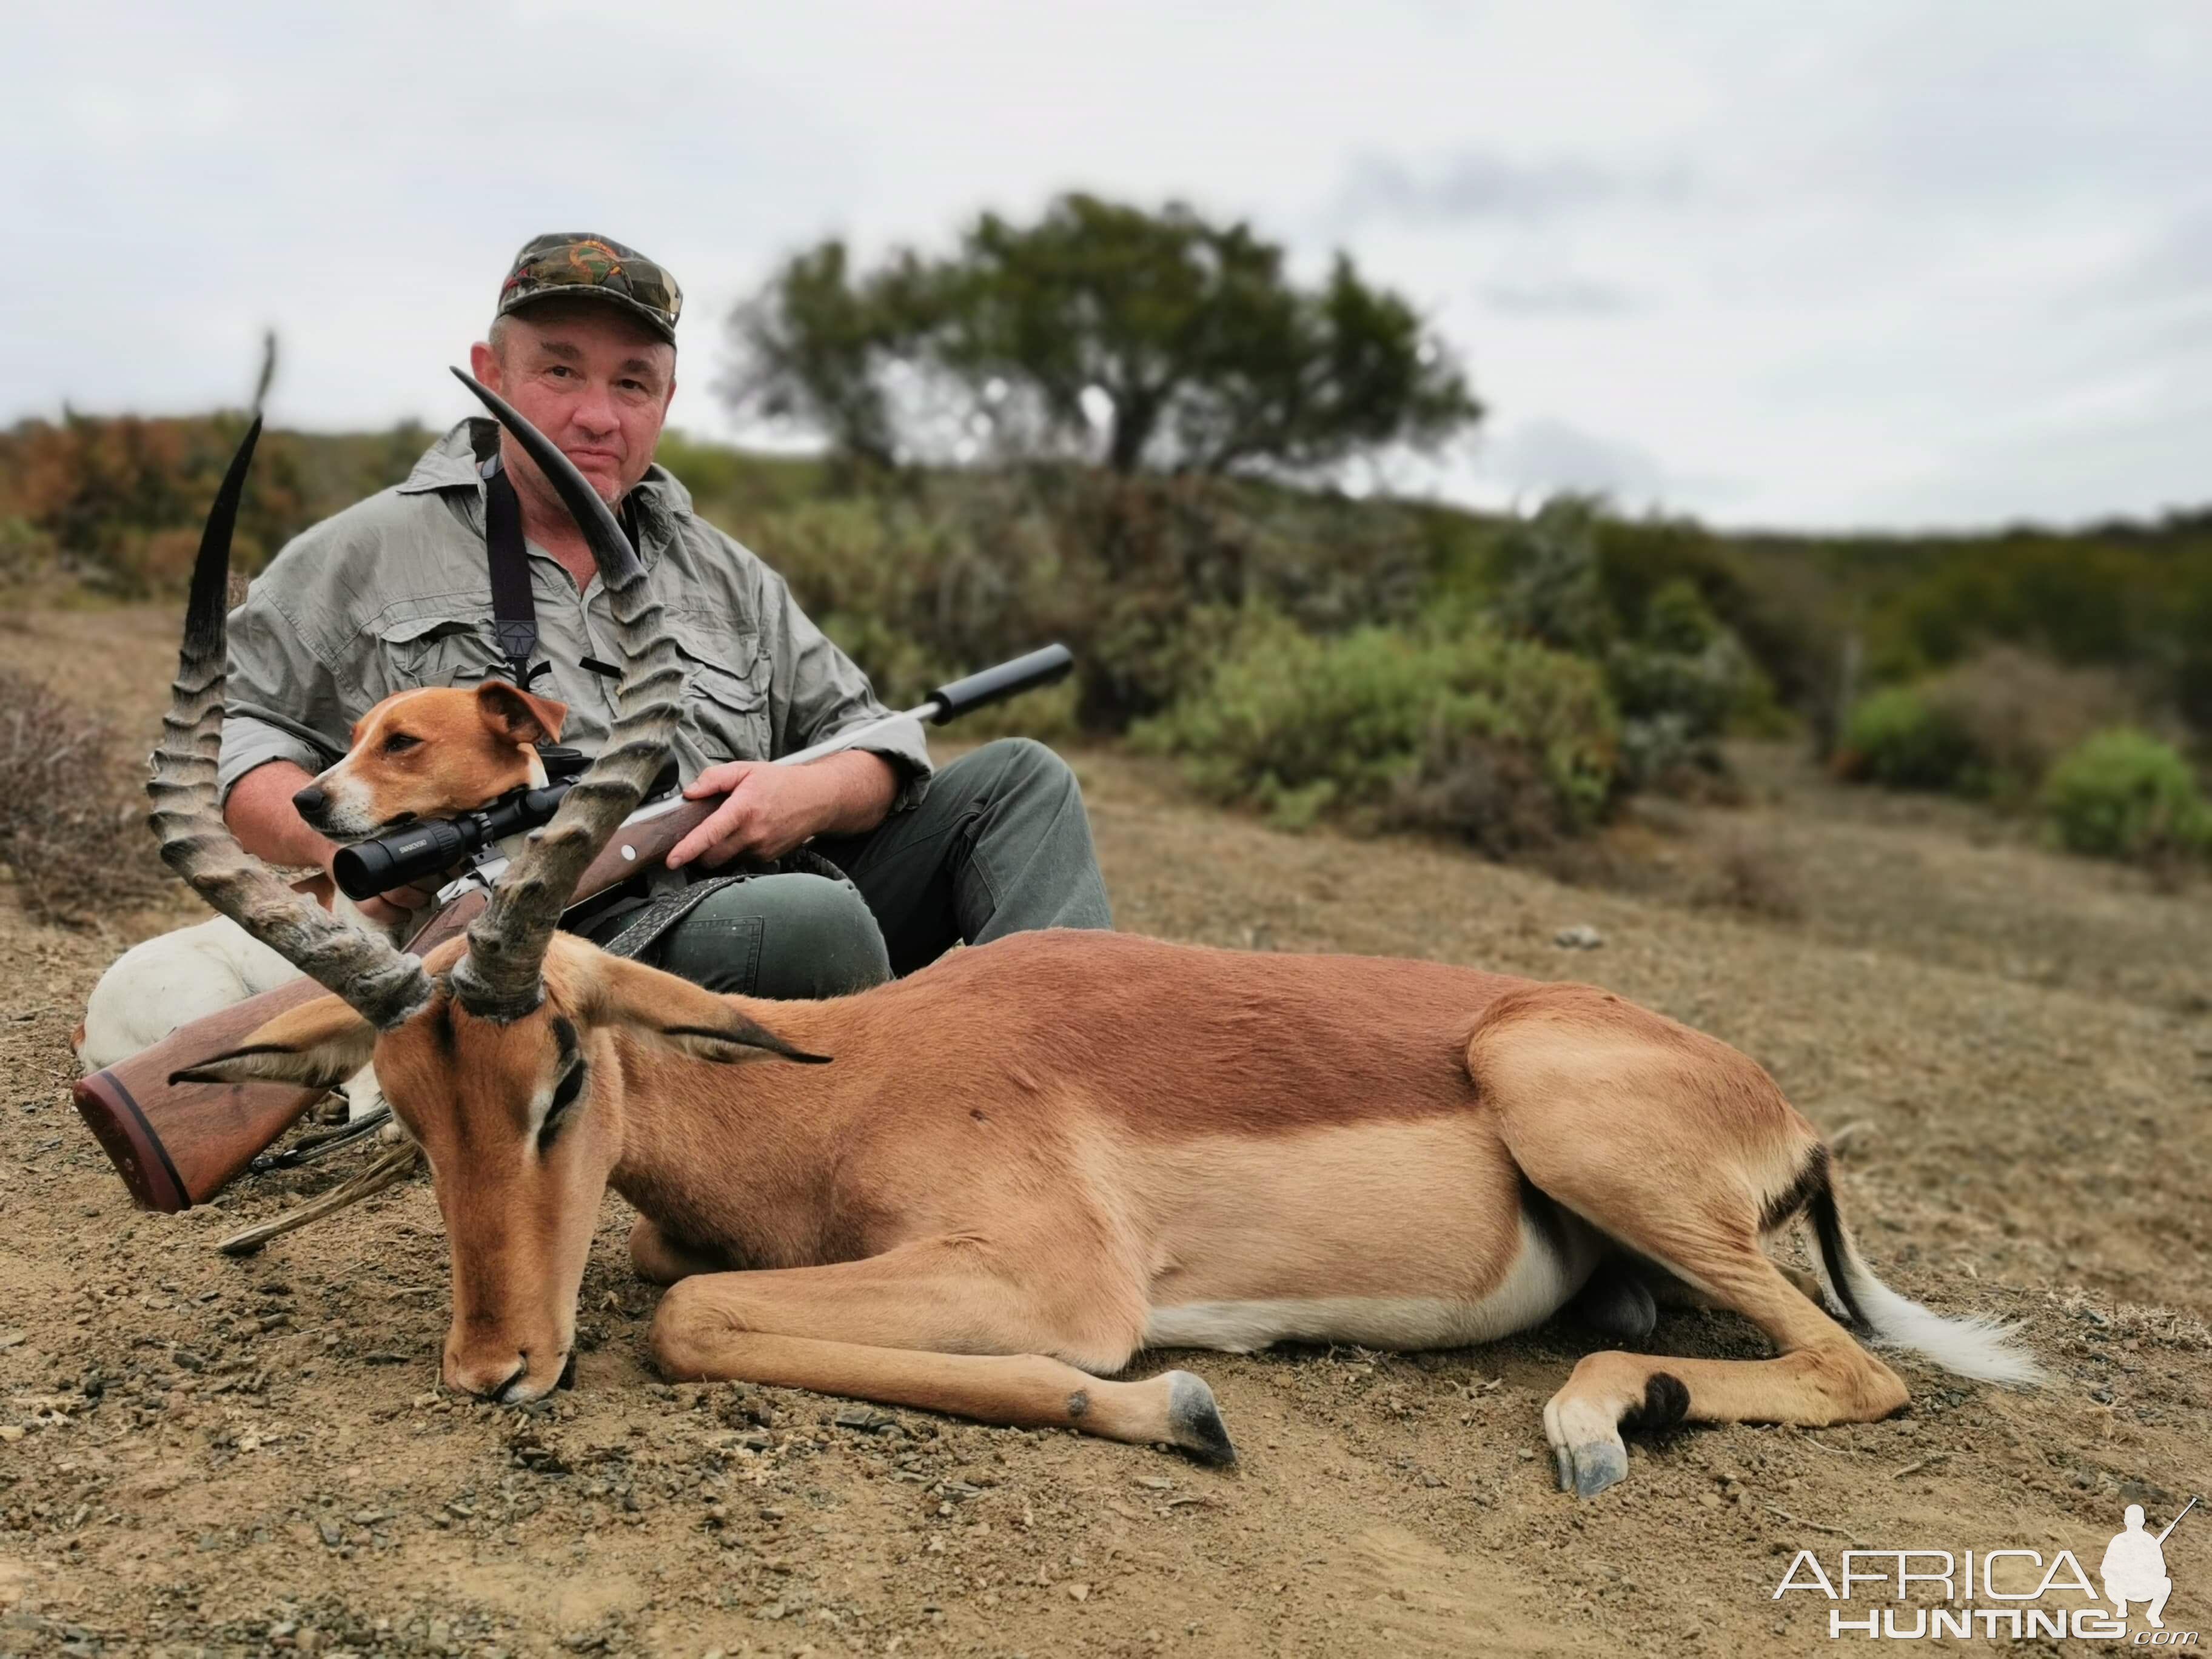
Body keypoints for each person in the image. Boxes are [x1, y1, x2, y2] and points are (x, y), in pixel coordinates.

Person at [220, 232, 1111, 997]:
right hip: (546, 941)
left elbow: (875, 739)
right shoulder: (364, 549)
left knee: (1022, 783)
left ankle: (1071, 1091)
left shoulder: (729, 573)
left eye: (634, 384)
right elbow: (239, 730)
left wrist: (806, 793)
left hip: (766, 884)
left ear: (668, 403)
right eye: (560, 370)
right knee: (804, 924)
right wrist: (339, 850)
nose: (597, 416)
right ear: (492, 375)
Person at [2100, 1504, 2173, 1627]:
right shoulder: (2119, 1540)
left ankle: (2153, 1614)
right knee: (2110, 1581)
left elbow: (2161, 1571)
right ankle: (2121, 1605)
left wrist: (2145, 1568)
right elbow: (2106, 1569)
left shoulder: (2150, 1542)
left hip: (2143, 1589)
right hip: (2122, 1589)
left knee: (2166, 1583)